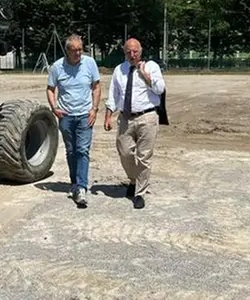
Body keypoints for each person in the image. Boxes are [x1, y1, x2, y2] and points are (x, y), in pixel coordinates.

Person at [104, 38, 166, 209]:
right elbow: (114, 94)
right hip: (125, 118)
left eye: (135, 51)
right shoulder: (119, 70)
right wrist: (108, 115)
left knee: (144, 157)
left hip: (147, 117)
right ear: (124, 52)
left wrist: (147, 77)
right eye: (128, 52)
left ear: (141, 51)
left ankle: (140, 192)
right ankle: (133, 179)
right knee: (124, 152)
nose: (132, 55)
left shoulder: (152, 67)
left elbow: (160, 89)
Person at [46, 34, 101, 208]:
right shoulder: (57, 67)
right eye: (74, 50)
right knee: (71, 151)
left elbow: (97, 86)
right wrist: (54, 108)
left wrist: (94, 109)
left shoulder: (89, 63)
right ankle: (74, 183)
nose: (78, 53)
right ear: (67, 51)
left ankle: (82, 187)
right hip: (66, 116)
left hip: (85, 114)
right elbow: (50, 89)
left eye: (80, 49)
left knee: (82, 150)